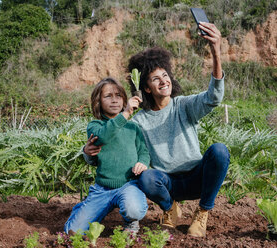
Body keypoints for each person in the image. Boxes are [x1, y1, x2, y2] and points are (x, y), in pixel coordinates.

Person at [84, 22, 230, 238]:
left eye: (165, 76)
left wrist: (215, 50)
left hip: (195, 178)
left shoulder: (184, 106)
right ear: (146, 88)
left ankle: (203, 211)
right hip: (166, 184)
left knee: (219, 151)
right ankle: (170, 208)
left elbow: (214, 97)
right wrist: (86, 154)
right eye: (155, 79)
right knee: (146, 177)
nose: (163, 81)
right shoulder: (140, 121)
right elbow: (114, 144)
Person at [64, 77, 149, 235]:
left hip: (128, 185)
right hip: (102, 189)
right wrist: (126, 113)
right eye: (108, 96)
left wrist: (143, 162)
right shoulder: (95, 126)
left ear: (124, 98)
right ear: (98, 101)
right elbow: (103, 137)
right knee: (73, 231)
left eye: (118, 95)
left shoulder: (133, 128)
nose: (114, 100)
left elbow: (143, 151)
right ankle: (84, 208)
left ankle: (131, 222)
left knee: (134, 210)